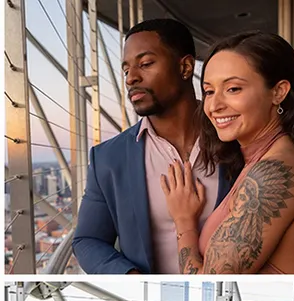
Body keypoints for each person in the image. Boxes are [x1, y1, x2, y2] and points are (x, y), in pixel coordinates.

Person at [162, 32, 294, 274]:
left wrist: (184, 222)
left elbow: (209, 289)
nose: (214, 105)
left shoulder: (273, 172)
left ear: (278, 92)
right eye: (209, 91)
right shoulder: (261, 161)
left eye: (233, 89)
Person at [72, 19, 229, 274]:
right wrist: (130, 278)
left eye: (145, 64)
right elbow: (88, 241)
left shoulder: (237, 140)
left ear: (186, 67)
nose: (131, 78)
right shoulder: (109, 158)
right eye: (126, 70)